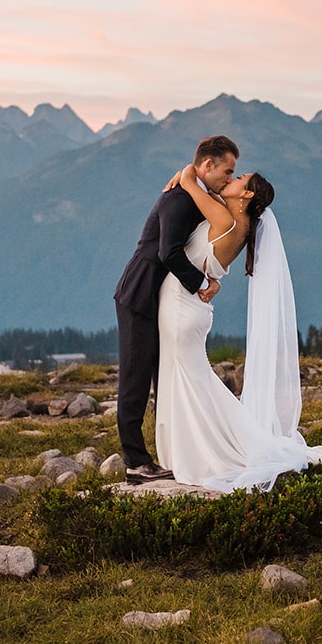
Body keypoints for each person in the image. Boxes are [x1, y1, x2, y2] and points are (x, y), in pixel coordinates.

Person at [152, 162, 322, 491]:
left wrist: (188, 172)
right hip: (187, 309)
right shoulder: (238, 223)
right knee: (193, 384)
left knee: (190, 385)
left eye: (238, 177)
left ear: (245, 194)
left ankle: (205, 455)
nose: (231, 178)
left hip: (181, 309)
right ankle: (200, 450)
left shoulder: (227, 221)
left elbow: (192, 185)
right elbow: (207, 194)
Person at [112, 136, 238, 484]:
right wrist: (203, 284)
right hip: (139, 294)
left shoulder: (192, 193)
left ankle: (163, 453)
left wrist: (186, 174)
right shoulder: (180, 200)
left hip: (156, 297)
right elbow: (169, 252)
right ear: (208, 165)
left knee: (158, 375)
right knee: (135, 379)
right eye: (227, 170)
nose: (230, 178)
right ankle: (135, 463)